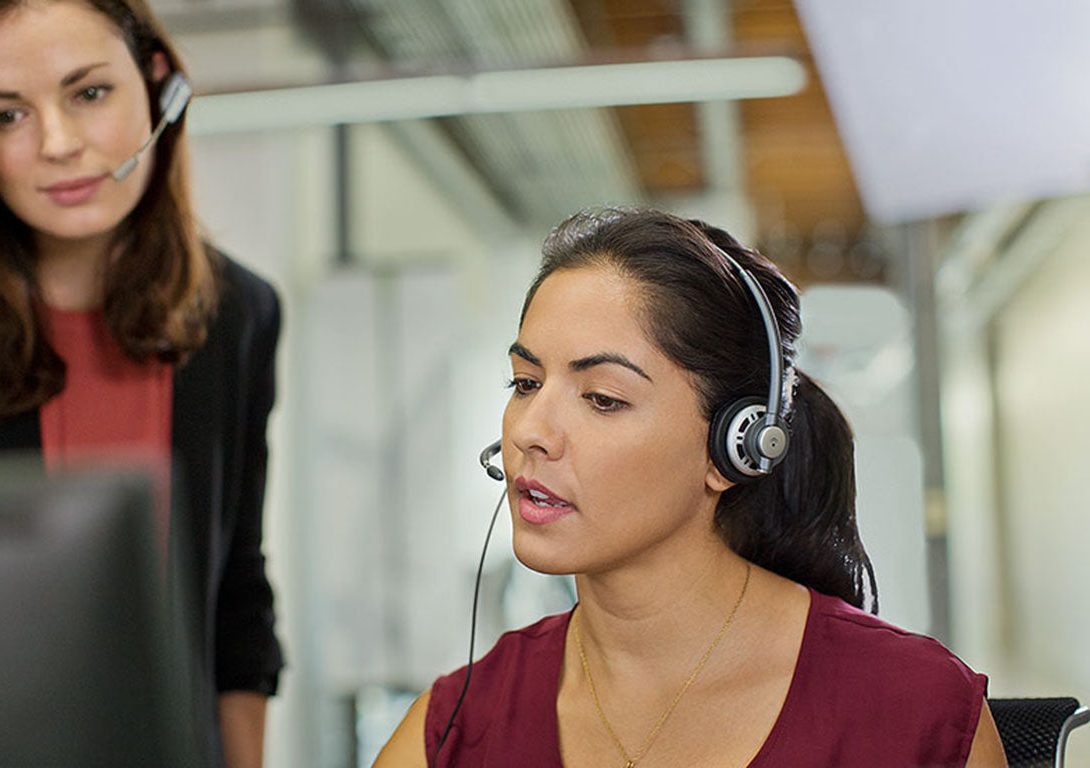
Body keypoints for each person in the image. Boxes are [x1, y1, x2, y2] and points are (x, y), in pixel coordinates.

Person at [375, 207, 1007, 767]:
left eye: (602, 398)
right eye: (525, 383)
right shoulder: (454, 729)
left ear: (734, 445)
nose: (531, 432)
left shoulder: (914, 712)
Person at [0, 0, 282, 765]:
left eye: (89, 93)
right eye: (5, 116)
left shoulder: (238, 315)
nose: (59, 145)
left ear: (158, 83)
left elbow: (238, 590)